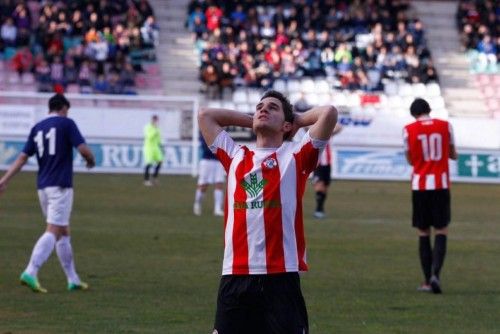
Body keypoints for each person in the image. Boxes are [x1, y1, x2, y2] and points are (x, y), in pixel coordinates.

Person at [198, 90, 337, 333]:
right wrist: (254, 119)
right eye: (259, 106)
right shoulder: (234, 156)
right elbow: (206, 115)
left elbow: (328, 113)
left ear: (286, 125)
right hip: (236, 273)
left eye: (272, 107)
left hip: (281, 276)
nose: (263, 109)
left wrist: (297, 121)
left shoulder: (295, 156)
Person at [0, 94, 95, 293]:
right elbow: (83, 150)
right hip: (60, 186)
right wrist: (90, 161)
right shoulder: (67, 124)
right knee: (53, 230)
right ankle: (31, 271)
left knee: (63, 231)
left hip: (42, 187)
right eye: (67, 110)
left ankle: (73, 279)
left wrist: (5, 180)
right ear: (63, 108)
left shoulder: (37, 128)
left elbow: (22, 157)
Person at [403, 98, 457, 294]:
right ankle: (436, 275)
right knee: (441, 229)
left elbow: (410, 158)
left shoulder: (408, 129)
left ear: (414, 114)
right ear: (429, 109)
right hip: (441, 184)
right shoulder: (446, 126)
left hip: (420, 185)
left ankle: (427, 281)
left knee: (423, 232)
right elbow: (453, 154)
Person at [312, 123, 342, 219]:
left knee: (325, 188)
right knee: (319, 186)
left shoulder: (329, 134)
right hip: (318, 164)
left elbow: (339, 128)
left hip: (327, 165)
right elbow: (305, 128)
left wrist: (331, 121)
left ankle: (321, 209)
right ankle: (318, 210)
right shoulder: (314, 134)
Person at [193, 136, 225, 216]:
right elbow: (206, 147)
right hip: (207, 161)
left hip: (218, 161)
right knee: (203, 185)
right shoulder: (204, 132)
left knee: (219, 183)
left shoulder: (220, 132)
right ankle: (197, 203)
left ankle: (217, 209)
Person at [143, 115, 163, 186]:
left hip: (156, 147)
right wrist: (155, 130)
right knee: (149, 163)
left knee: (160, 161)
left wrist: (161, 145)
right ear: (152, 120)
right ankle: (146, 180)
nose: (156, 122)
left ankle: (154, 177)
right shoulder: (147, 127)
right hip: (148, 147)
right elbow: (149, 137)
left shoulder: (157, 128)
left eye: (157, 121)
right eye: (155, 120)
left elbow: (158, 138)